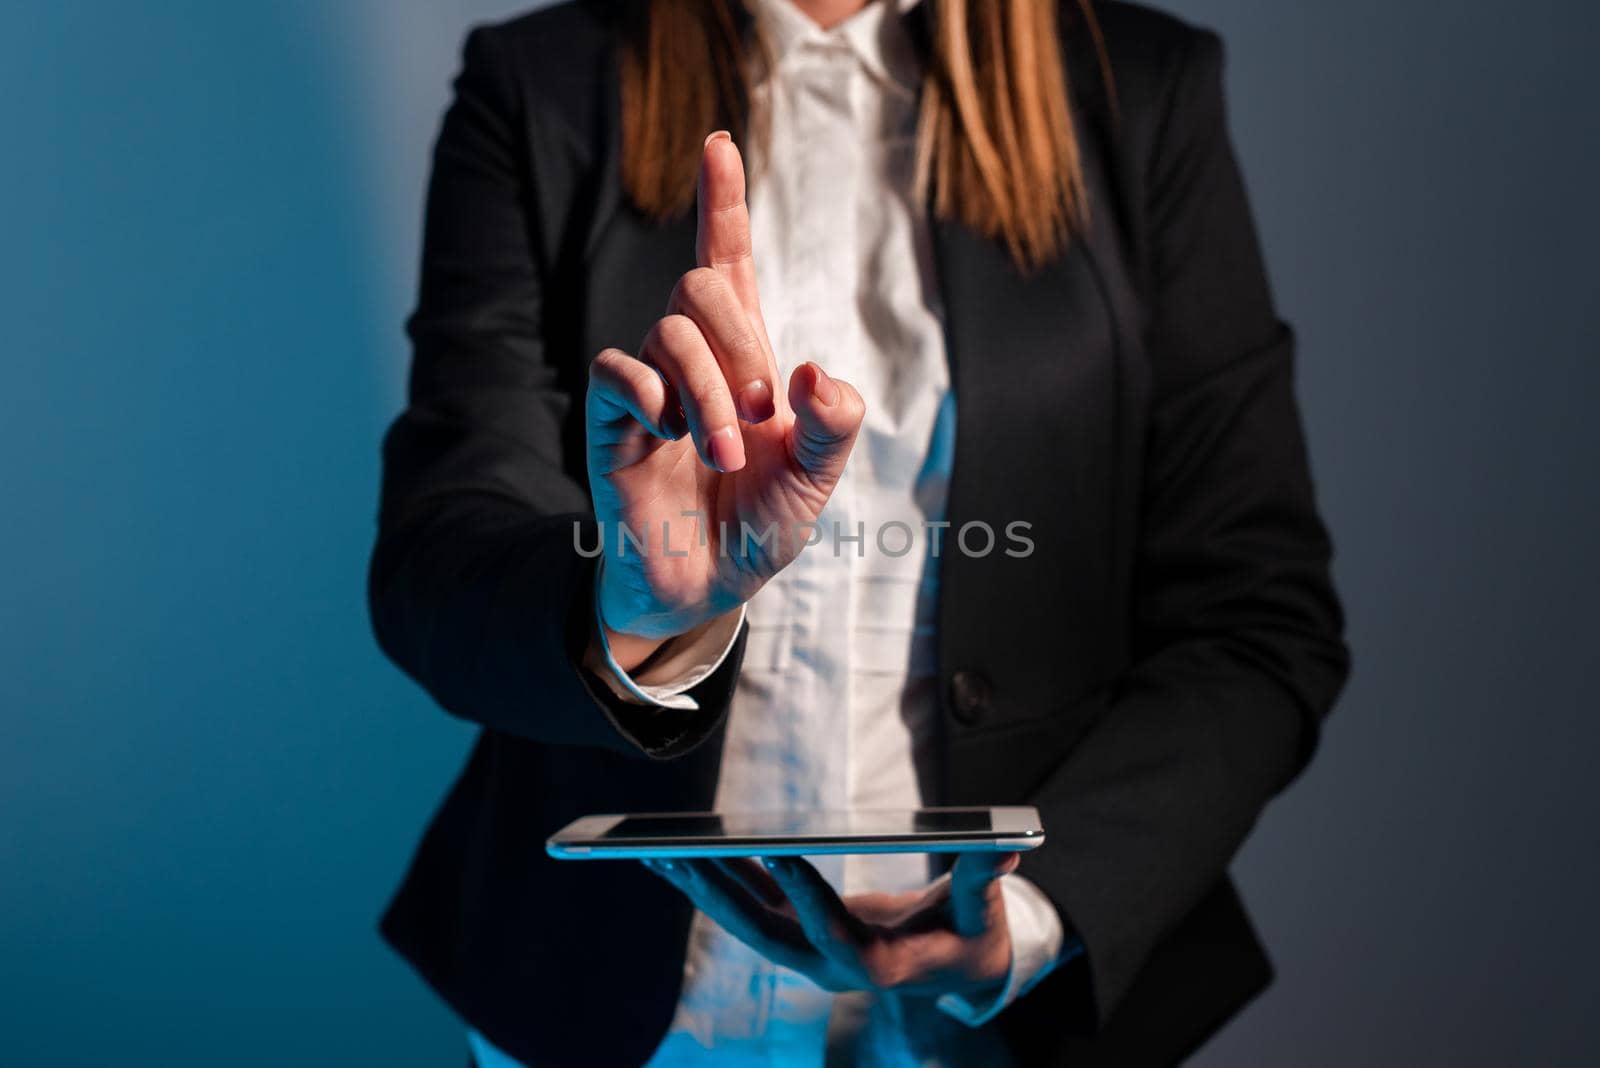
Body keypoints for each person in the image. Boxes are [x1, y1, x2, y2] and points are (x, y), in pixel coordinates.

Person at [369, 0, 1349, 1064]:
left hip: (1008, 1023)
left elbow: (1257, 619)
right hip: (599, 1000)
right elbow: (439, 559)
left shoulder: (1140, 87)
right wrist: (635, 614)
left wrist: (1029, 921)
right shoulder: (542, 81)